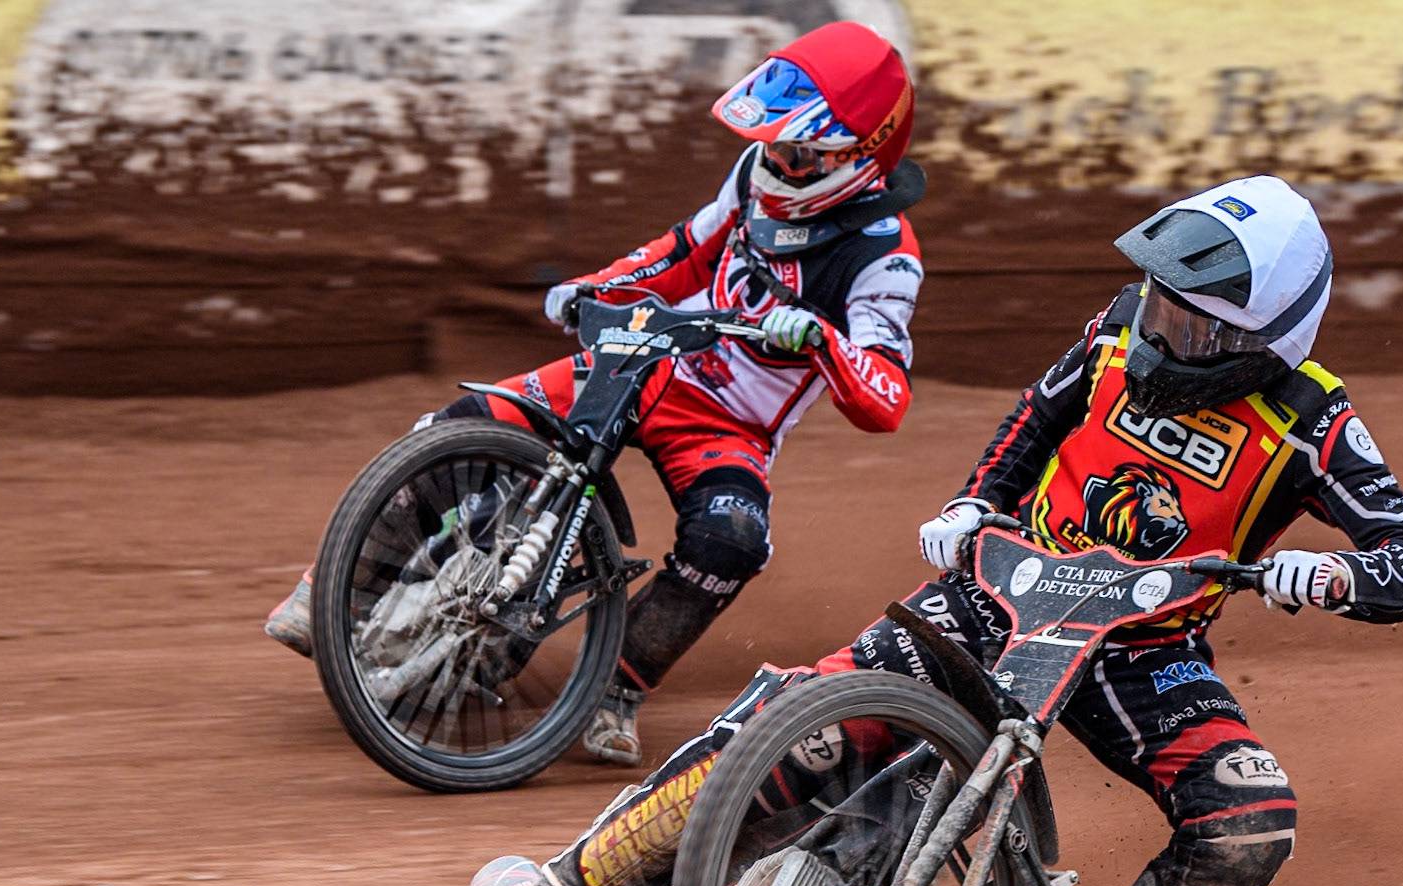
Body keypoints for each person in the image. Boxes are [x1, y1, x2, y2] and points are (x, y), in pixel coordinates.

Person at [473, 173, 1403, 886]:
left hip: (1146, 649)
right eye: (1158, 300)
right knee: (807, 724)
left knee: (1250, 813)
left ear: (1265, 338)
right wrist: (974, 499)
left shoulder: (1313, 419)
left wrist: (1334, 576)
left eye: (1189, 320)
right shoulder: (1116, 332)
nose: (1158, 325)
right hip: (1001, 591)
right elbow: (1034, 419)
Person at [265, 21, 924, 765]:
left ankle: (616, 686)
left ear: (862, 156)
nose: (777, 159)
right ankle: (337, 589)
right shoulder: (752, 177)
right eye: (774, 143)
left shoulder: (886, 258)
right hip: (651, 359)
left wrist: (818, 338)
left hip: (731, 423)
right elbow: (682, 252)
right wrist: (594, 288)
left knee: (731, 541)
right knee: (469, 421)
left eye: (799, 152)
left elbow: (887, 397)